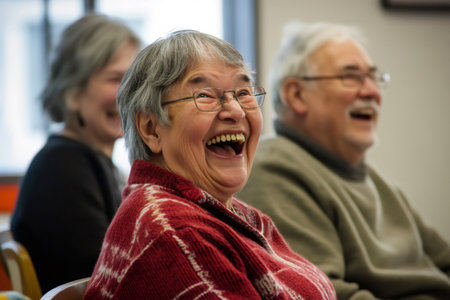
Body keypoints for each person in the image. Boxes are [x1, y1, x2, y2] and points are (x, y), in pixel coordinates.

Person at [83, 29, 336, 300]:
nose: (236, 110)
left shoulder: (233, 215)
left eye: (243, 92)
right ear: (151, 129)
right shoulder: (174, 233)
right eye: (205, 95)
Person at [237, 21, 450, 299]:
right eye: (351, 77)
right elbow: (326, 293)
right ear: (296, 95)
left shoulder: (372, 179)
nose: (372, 91)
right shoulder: (274, 168)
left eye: (374, 78)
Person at [10, 14, 140, 293]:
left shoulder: (93, 161)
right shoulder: (61, 169)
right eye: (116, 78)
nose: (130, 95)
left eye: (134, 81)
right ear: (73, 91)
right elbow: (102, 279)